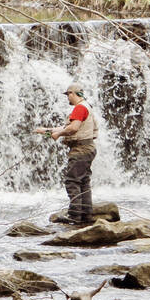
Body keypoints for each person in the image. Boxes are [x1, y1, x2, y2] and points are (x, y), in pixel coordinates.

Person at [34, 81, 96, 225]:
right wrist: (46, 131)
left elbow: (73, 128)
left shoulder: (79, 108)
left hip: (80, 150)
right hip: (88, 148)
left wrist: (59, 134)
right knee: (84, 181)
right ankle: (86, 215)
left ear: (72, 94)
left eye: (68, 95)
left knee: (72, 181)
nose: (67, 98)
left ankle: (74, 216)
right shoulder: (87, 106)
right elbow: (68, 127)